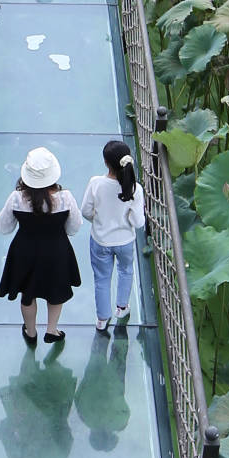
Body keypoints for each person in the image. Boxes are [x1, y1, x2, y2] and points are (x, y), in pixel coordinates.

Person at [0, 145, 82, 344]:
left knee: (27, 293)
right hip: (57, 250)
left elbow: (4, 227)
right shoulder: (65, 198)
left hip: (24, 252)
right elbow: (74, 227)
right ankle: (52, 330)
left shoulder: (17, 198)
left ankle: (31, 332)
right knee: (56, 290)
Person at [80, 138, 146, 335]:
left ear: (106, 162)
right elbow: (139, 223)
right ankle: (122, 307)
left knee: (101, 278)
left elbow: (85, 211)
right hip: (125, 241)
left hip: (100, 240)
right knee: (126, 271)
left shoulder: (96, 184)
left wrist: (98, 221)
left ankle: (102, 319)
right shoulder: (135, 189)